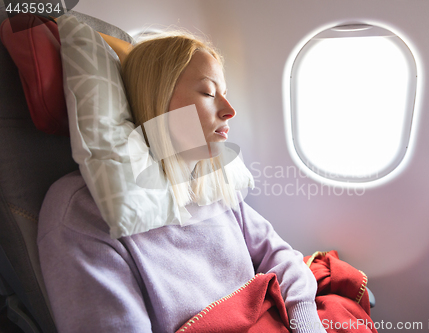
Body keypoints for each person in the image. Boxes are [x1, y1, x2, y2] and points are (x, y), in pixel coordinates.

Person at [37, 31, 326, 333]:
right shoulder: (82, 213)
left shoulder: (209, 183)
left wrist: (305, 322)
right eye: (208, 93)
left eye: (224, 92)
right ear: (158, 100)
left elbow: (279, 255)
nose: (229, 110)